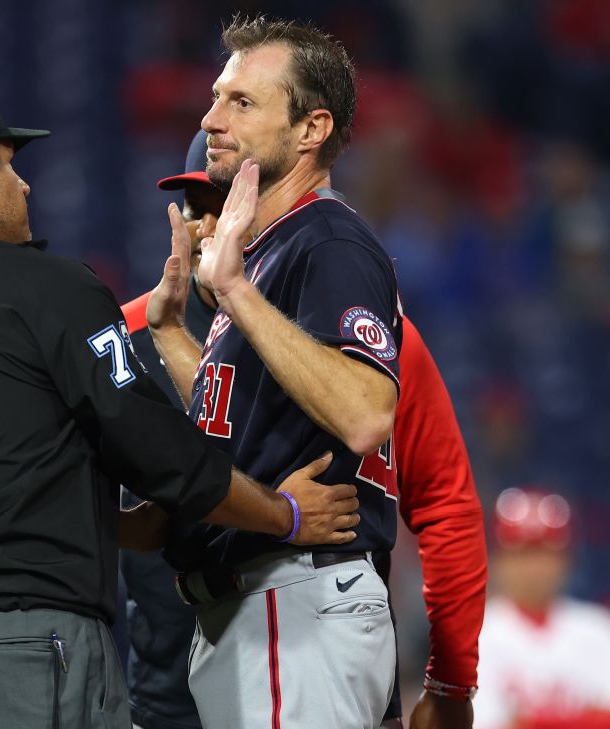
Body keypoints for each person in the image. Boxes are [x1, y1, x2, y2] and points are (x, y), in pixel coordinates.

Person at [0, 76, 363, 729]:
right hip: (14, 646)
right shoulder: (45, 289)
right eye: (9, 165)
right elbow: (166, 459)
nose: (24, 186)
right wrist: (284, 512)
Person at [122, 129, 487, 729]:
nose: (210, 227)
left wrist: (451, 678)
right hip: (171, 681)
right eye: (197, 209)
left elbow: (446, 506)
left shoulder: (369, 340)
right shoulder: (130, 336)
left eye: (226, 206)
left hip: (312, 649)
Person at [143, 17, 404, 728]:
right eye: (217, 97)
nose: (211, 117)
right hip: (261, 606)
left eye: (241, 102)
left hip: (296, 601)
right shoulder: (266, 259)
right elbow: (243, 415)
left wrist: (235, 292)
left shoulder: (327, 240)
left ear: (312, 128)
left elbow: (365, 410)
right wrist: (170, 329)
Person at [474, 487, 610, 729]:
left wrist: (529, 721)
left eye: (545, 552)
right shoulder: (473, 634)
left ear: (568, 559)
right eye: (522, 553)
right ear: (497, 560)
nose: (534, 567)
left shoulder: (598, 628)